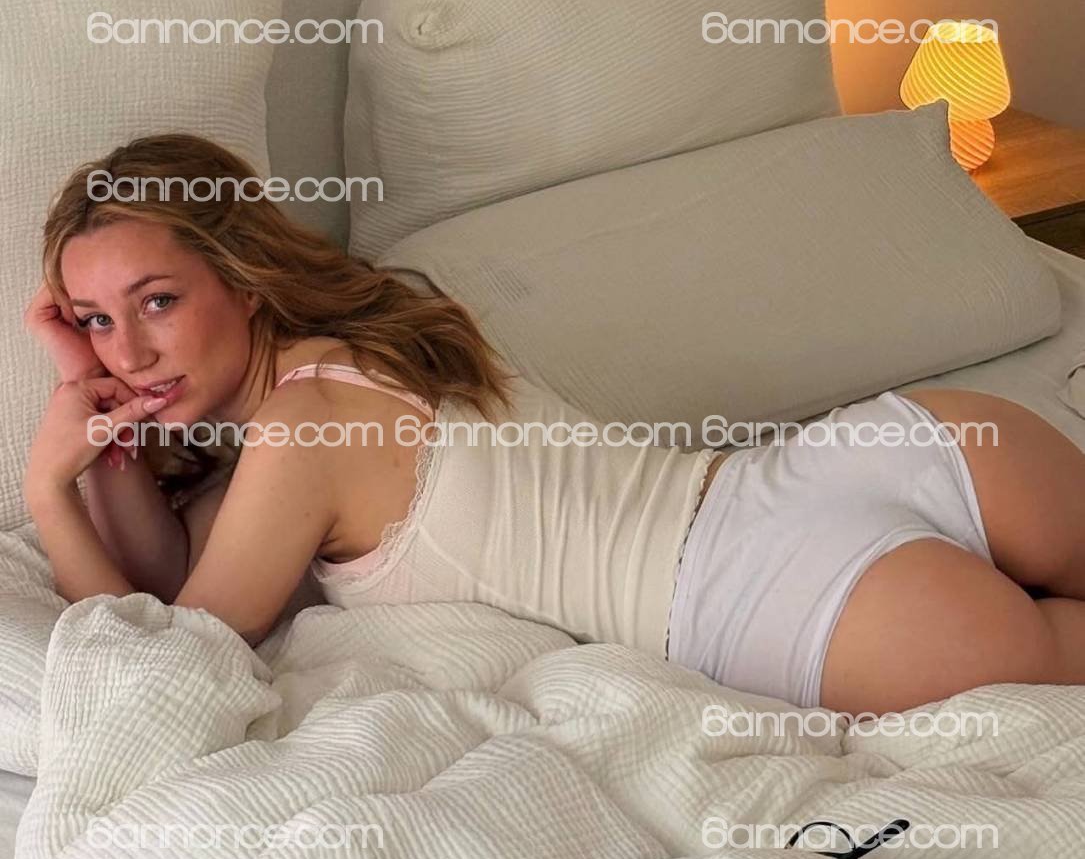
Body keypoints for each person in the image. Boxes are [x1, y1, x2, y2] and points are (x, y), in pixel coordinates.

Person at [22, 134, 1085, 719]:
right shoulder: (365, 342)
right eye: (97, 322)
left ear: (244, 279)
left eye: (158, 301)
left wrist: (45, 496)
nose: (130, 353)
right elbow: (173, 579)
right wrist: (92, 414)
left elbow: (165, 672)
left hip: (771, 600)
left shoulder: (301, 434)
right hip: (900, 449)